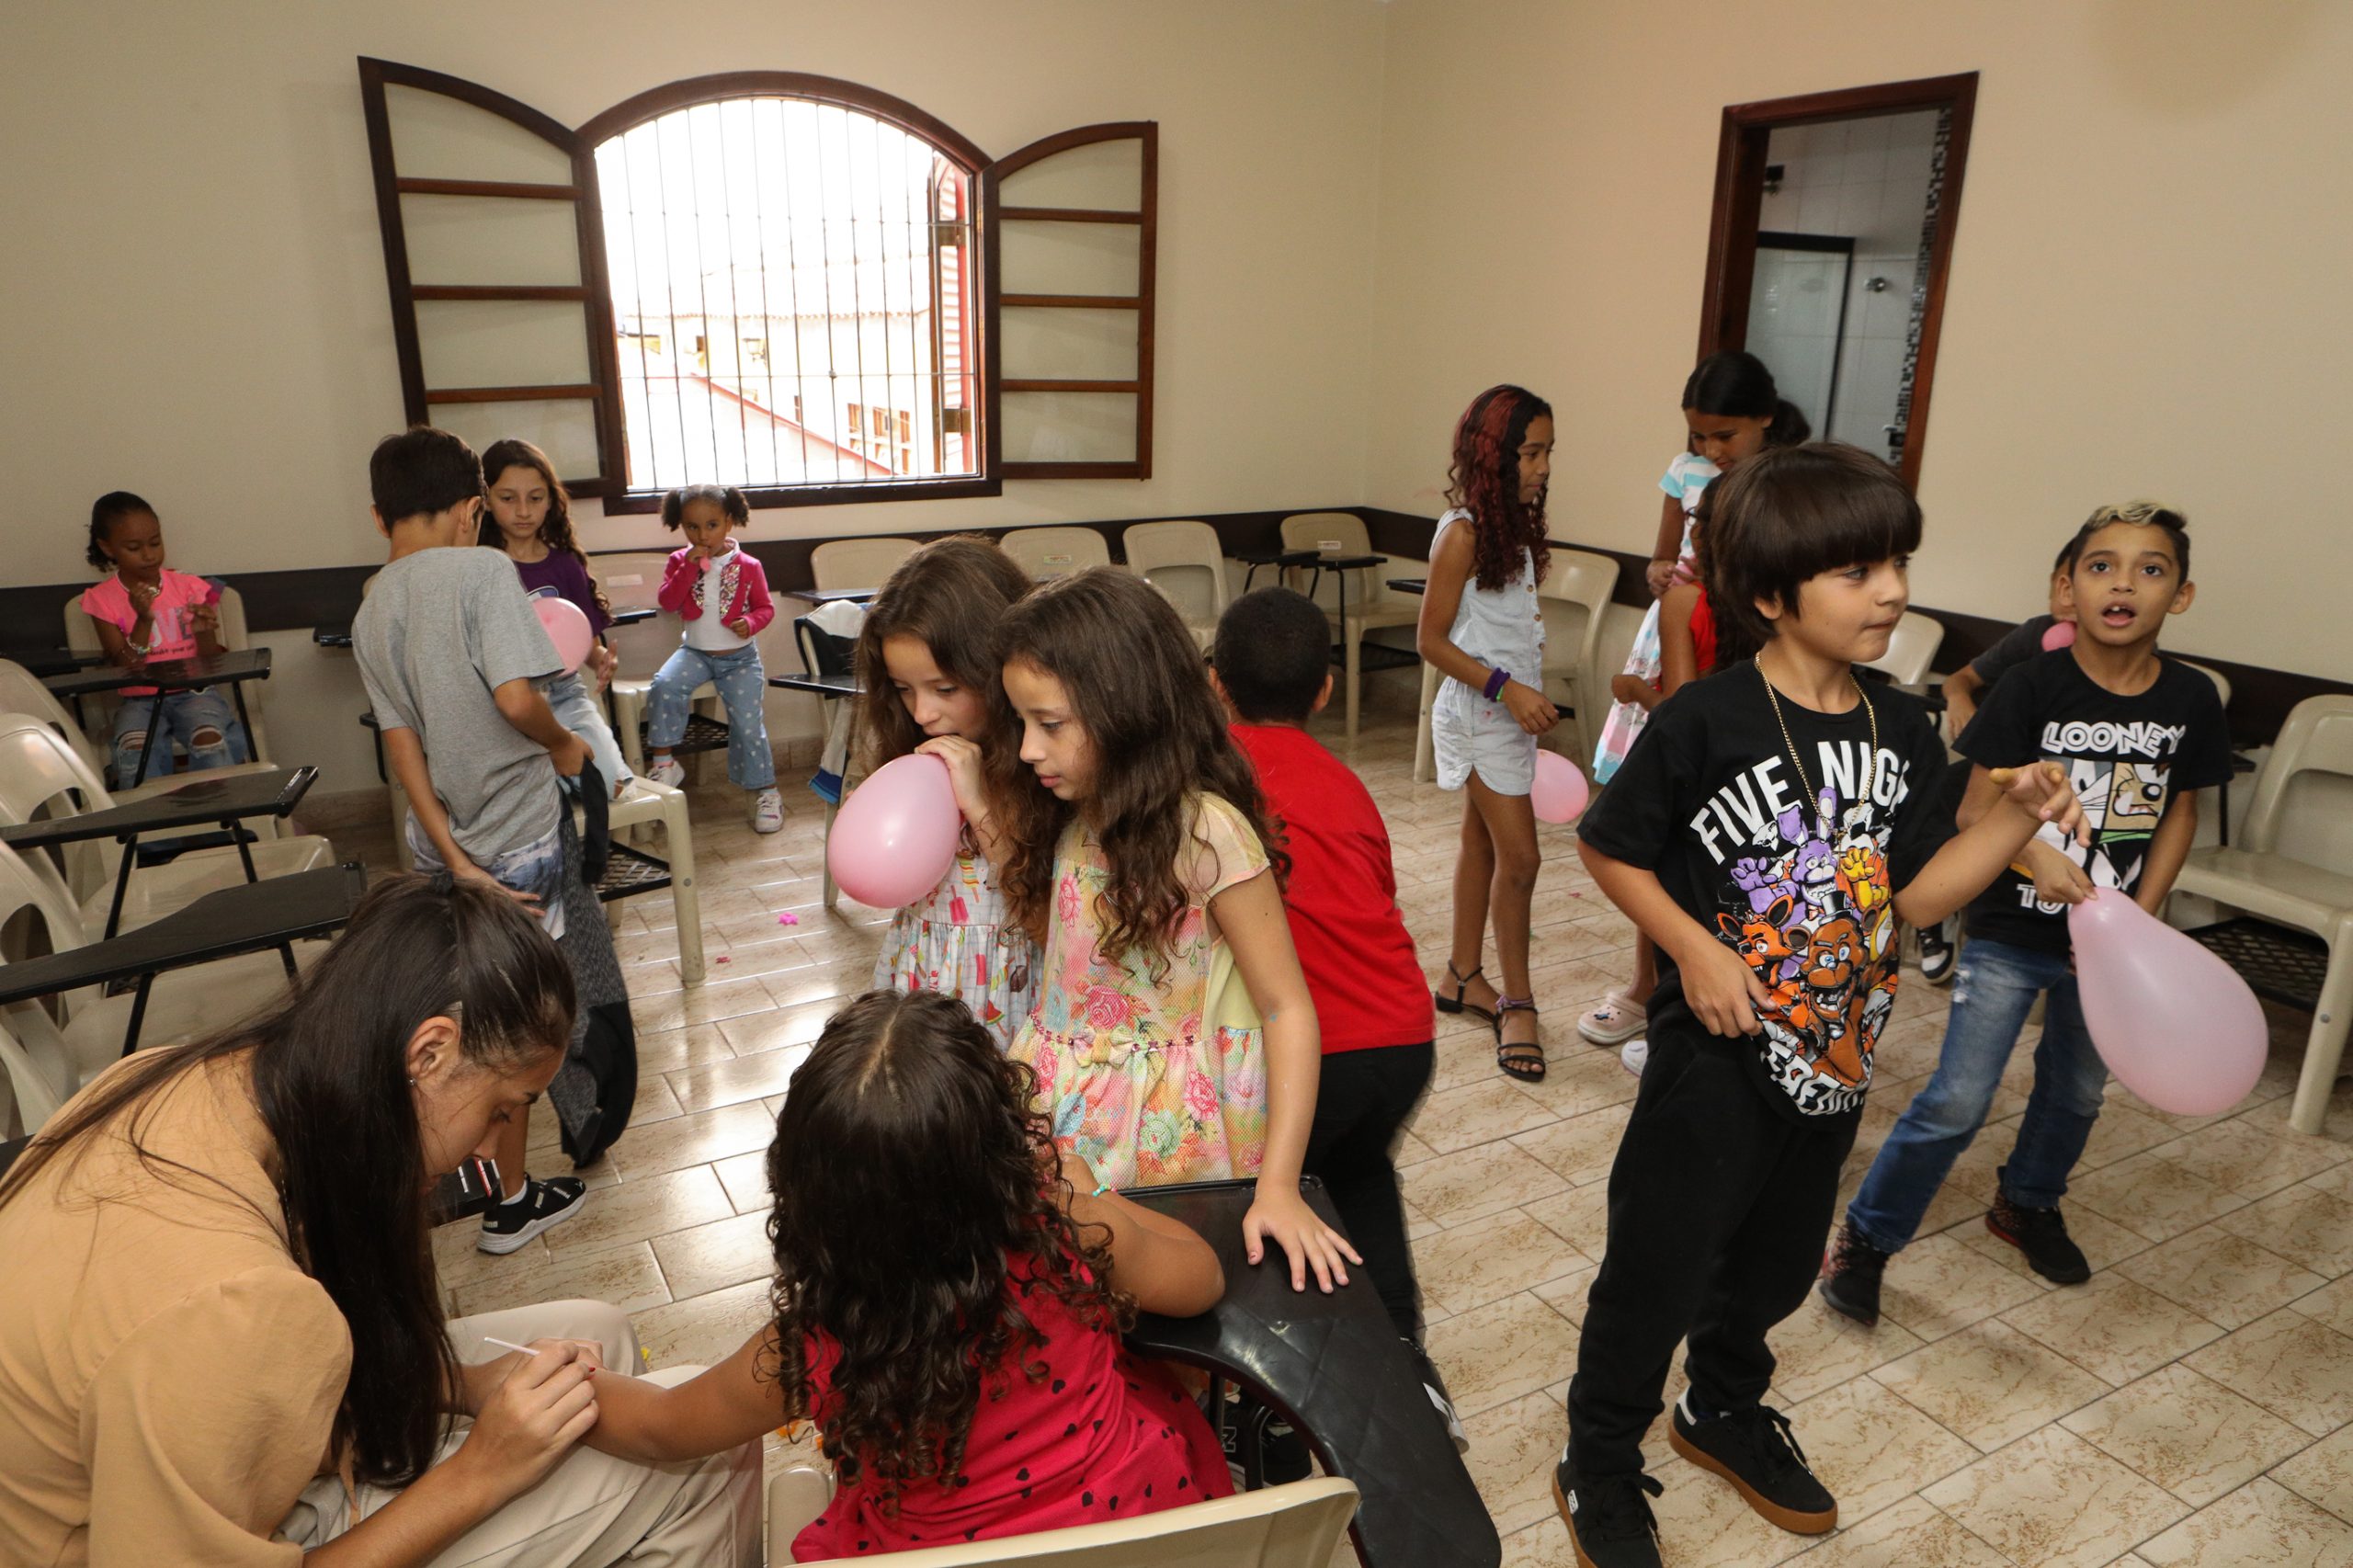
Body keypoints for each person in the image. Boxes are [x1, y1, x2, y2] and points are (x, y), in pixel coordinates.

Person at [1552, 443, 2090, 1568]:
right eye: (1855, 570)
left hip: (1836, 1054)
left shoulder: (1901, 727)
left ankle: (1721, 1407)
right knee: (1659, 1262)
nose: (1891, 588)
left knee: (1777, 1258)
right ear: (1768, 596)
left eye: (1894, 560)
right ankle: (1598, 1457)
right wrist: (1692, 948)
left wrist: (2013, 821)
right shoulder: (1705, 718)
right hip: (1714, 1055)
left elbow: (1915, 893)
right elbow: (1611, 847)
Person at [0, 873, 760, 1568]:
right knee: (700, 1470)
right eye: (502, 1112)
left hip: (176, 1471)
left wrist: (467, 1385)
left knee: (598, 1334)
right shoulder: (232, 1304)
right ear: (429, 1052)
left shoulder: (177, 1079)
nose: (496, 1154)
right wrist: (481, 1473)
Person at [565, 989, 1232, 1560]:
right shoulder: (1069, 1237)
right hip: (1141, 1538)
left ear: (807, 1192)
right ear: (1000, 1148)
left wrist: (523, 1383)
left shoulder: (815, 1348)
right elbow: (1202, 1277)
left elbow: (659, 1426)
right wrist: (1094, 1202)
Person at [1822, 501, 2229, 1323]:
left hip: (2113, 947)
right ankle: (1866, 1238)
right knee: (1960, 1097)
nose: (2125, 584)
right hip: (2011, 931)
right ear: (2066, 589)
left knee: (2078, 1092)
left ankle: (2028, 1203)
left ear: (2180, 596)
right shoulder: (2029, 687)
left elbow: (2181, 811)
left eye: (2151, 569)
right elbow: (1976, 811)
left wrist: (2141, 921)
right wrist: (2033, 854)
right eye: (2102, 566)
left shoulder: (2190, 698)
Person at [995, 567, 1357, 1291]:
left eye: (1052, 724)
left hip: (1169, 1135)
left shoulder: (1208, 832)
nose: (1030, 749)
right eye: (1023, 723)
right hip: (1061, 1104)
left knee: (1159, 1305)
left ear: (1126, 707)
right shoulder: (1070, 811)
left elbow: (1287, 1009)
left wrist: (1279, 1186)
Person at [1211, 585, 1461, 1437]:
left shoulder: (1212, 783)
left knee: (1265, 1211)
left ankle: (1279, 1406)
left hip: (1315, 1051)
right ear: (1325, 691)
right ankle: (1410, 1377)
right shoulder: (1349, 786)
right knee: (1358, 1179)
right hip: (1403, 1039)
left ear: (1215, 684)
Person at [355, 425, 591, 1249]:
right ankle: (511, 1200)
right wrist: (566, 747)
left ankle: (448, 1171)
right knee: (517, 1023)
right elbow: (517, 699)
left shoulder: (373, 602)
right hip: (520, 838)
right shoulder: (485, 570)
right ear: (470, 509)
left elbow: (401, 748)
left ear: (380, 515)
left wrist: (450, 857)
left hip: (441, 848)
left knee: (457, 1017)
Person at [1583, 352, 1809, 1054]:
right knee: (1667, 839)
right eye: (1699, 438)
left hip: (1735, 653)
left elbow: (1685, 702)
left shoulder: (1791, 491)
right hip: (1685, 629)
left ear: (1764, 421)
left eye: (1725, 437)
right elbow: (1664, 560)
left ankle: (1720, 999)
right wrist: (1668, 577)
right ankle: (1656, 988)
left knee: (1733, 863)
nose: (1709, 451)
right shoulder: (1689, 511)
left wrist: (1644, 692)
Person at [1418, 383, 1560, 1083]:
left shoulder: (1514, 529)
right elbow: (1432, 641)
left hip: (1506, 715)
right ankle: (1520, 1004)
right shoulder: (1465, 531)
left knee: (1481, 843)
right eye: (1529, 453)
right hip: (1481, 716)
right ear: (1492, 457)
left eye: (1546, 453)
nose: (1540, 467)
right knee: (1523, 861)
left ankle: (1461, 976)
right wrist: (1510, 690)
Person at [856, 536, 1040, 1048]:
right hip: (923, 972)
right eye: (903, 688)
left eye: (945, 689)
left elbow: (1042, 903)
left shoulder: (1041, 766)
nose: (922, 714)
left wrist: (978, 803)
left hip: (1011, 987)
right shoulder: (918, 752)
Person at [1596, 482, 1725, 1076]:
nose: (1689, 531)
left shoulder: (1690, 602)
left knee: (1673, 897)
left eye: (1699, 521)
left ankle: (1671, 1028)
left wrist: (1636, 692)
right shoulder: (1764, 606)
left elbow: (1685, 711)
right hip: (1742, 789)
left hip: (1697, 780)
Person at [1915, 537, 2086, 986]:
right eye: (2061, 586)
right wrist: (1958, 699)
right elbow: (1961, 677)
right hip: (2004, 776)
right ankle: (1935, 913)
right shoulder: (2034, 635)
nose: (2069, 601)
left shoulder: (2126, 662)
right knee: (1940, 794)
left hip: (2069, 789)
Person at [479, 437, 631, 797]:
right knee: (519, 796)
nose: (523, 511)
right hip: (504, 703)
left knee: (608, 787)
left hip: (565, 694)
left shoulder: (565, 564)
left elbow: (586, 647)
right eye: (507, 498)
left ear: (551, 500)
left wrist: (602, 662)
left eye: (535, 498)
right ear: (485, 500)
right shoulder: (478, 566)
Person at [78, 490, 250, 783]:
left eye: (155, 543)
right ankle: (153, 826)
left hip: (195, 692)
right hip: (139, 700)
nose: (149, 555)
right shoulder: (101, 600)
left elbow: (210, 662)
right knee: (133, 751)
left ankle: (218, 821)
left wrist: (204, 630)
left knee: (209, 739)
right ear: (108, 548)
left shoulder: (191, 588)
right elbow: (125, 665)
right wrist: (144, 620)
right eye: (134, 547)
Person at [642, 483, 784, 833]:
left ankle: (766, 790)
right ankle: (664, 762)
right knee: (664, 684)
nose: (702, 534)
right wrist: (688, 569)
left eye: (711, 525)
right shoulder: (679, 561)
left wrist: (750, 623)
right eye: (692, 527)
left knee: (749, 725)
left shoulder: (749, 565)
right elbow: (669, 602)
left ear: (729, 523)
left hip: (740, 659)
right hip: (695, 653)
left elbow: (766, 608)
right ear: (682, 526)